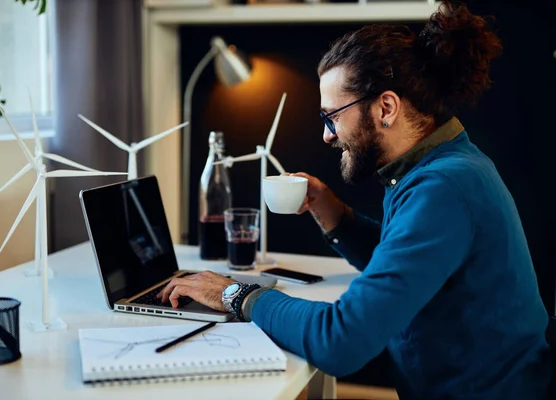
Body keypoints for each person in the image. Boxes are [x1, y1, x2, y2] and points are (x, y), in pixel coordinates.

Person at [158, 2, 552, 398]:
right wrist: (333, 213)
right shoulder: (444, 165)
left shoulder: (442, 189)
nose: (328, 135)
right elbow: (402, 267)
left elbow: (341, 341)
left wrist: (234, 294)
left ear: (386, 107)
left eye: (333, 116)